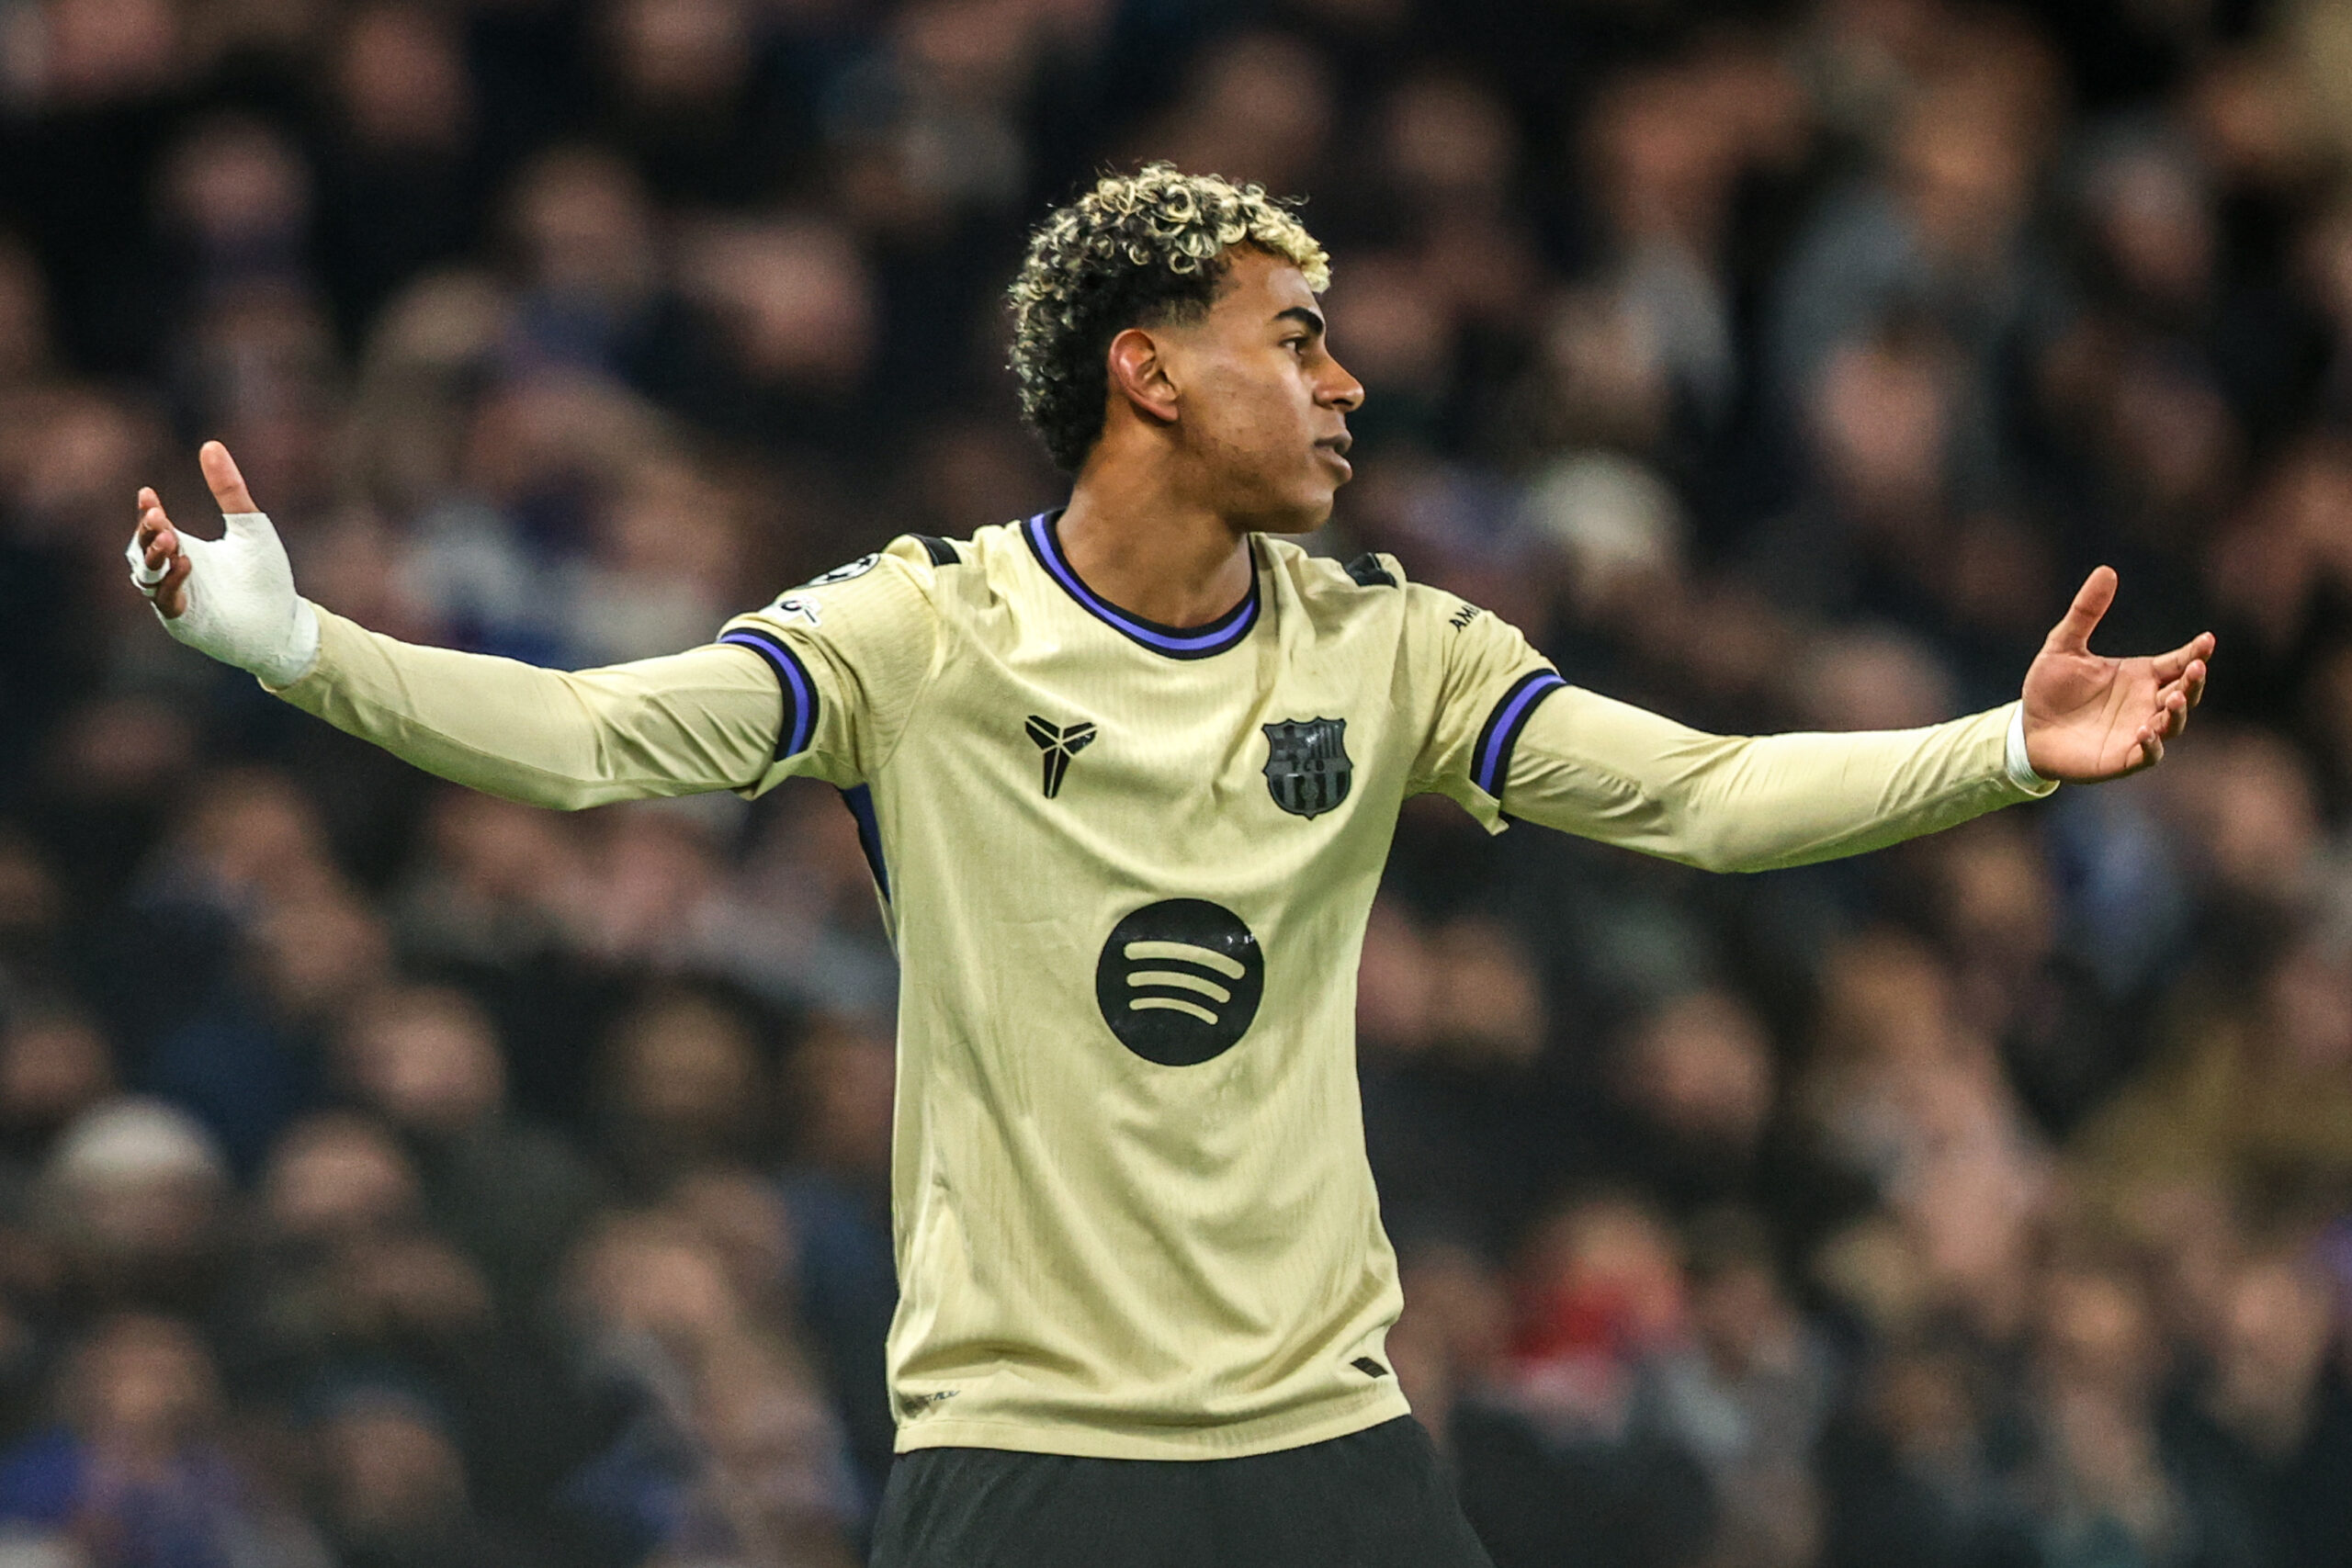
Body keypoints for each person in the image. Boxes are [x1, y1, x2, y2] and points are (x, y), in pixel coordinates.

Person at [122, 164, 2212, 1568]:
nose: (1344, 381)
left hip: (1322, 1446)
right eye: (1291, 336)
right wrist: (301, 647)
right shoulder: (919, 637)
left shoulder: (1386, 643)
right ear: (1146, 368)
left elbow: (1692, 792)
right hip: (1022, 1455)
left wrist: (1995, 751)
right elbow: (592, 744)